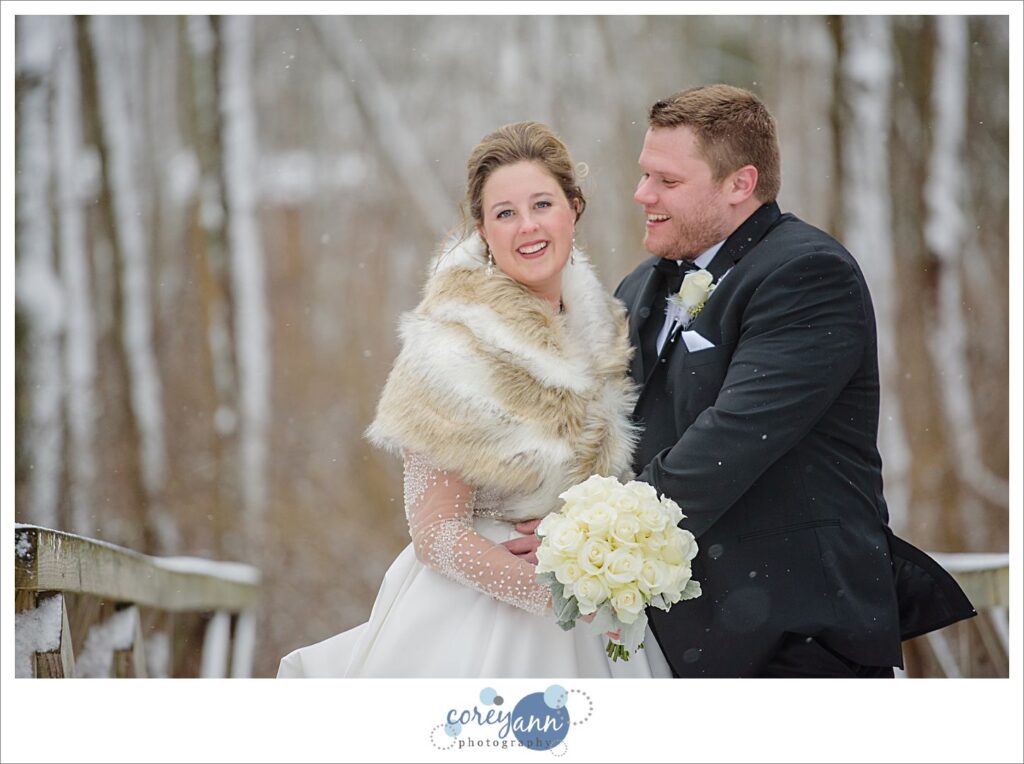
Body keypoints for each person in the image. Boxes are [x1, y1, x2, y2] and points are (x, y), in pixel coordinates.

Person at [277, 121, 672, 678]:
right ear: (483, 229)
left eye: (542, 203)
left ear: (573, 208)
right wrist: (553, 594)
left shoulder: (604, 329)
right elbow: (435, 532)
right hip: (486, 621)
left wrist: (600, 557)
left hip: (597, 610)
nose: (527, 226)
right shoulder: (451, 346)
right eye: (505, 213)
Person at [608, 84, 976, 677]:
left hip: (796, 635)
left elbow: (729, 441)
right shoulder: (640, 286)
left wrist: (596, 531)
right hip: (670, 638)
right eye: (645, 174)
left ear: (740, 184)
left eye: (667, 181)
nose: (641, 194)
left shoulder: (806, 275)